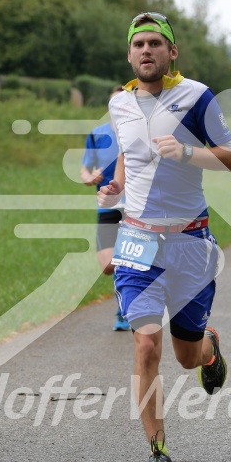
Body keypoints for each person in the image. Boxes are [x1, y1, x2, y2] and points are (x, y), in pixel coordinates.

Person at [98, 12, 231, 462]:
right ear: (129, 53)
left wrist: (185, 152)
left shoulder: (197, 96)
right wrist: (116, 181)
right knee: (145, 344)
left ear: (171, 52)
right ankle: (159, 453)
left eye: (156, 43)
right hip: (137, 239)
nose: (146, 51)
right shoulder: (119, 102)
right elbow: (128, 147)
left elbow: (230, 158)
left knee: (184, 356)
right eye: (138, 44)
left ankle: (209, 348)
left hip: (190, 242)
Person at [81, 86, 130, 331]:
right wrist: (90, 177)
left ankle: (125, 308)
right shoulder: (97, 134)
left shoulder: (138, 135)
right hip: (107, 207)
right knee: (108, 266)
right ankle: (130, 291)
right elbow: (84, 168)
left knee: (130, 258)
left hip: (136, 208)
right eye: (114, 103)